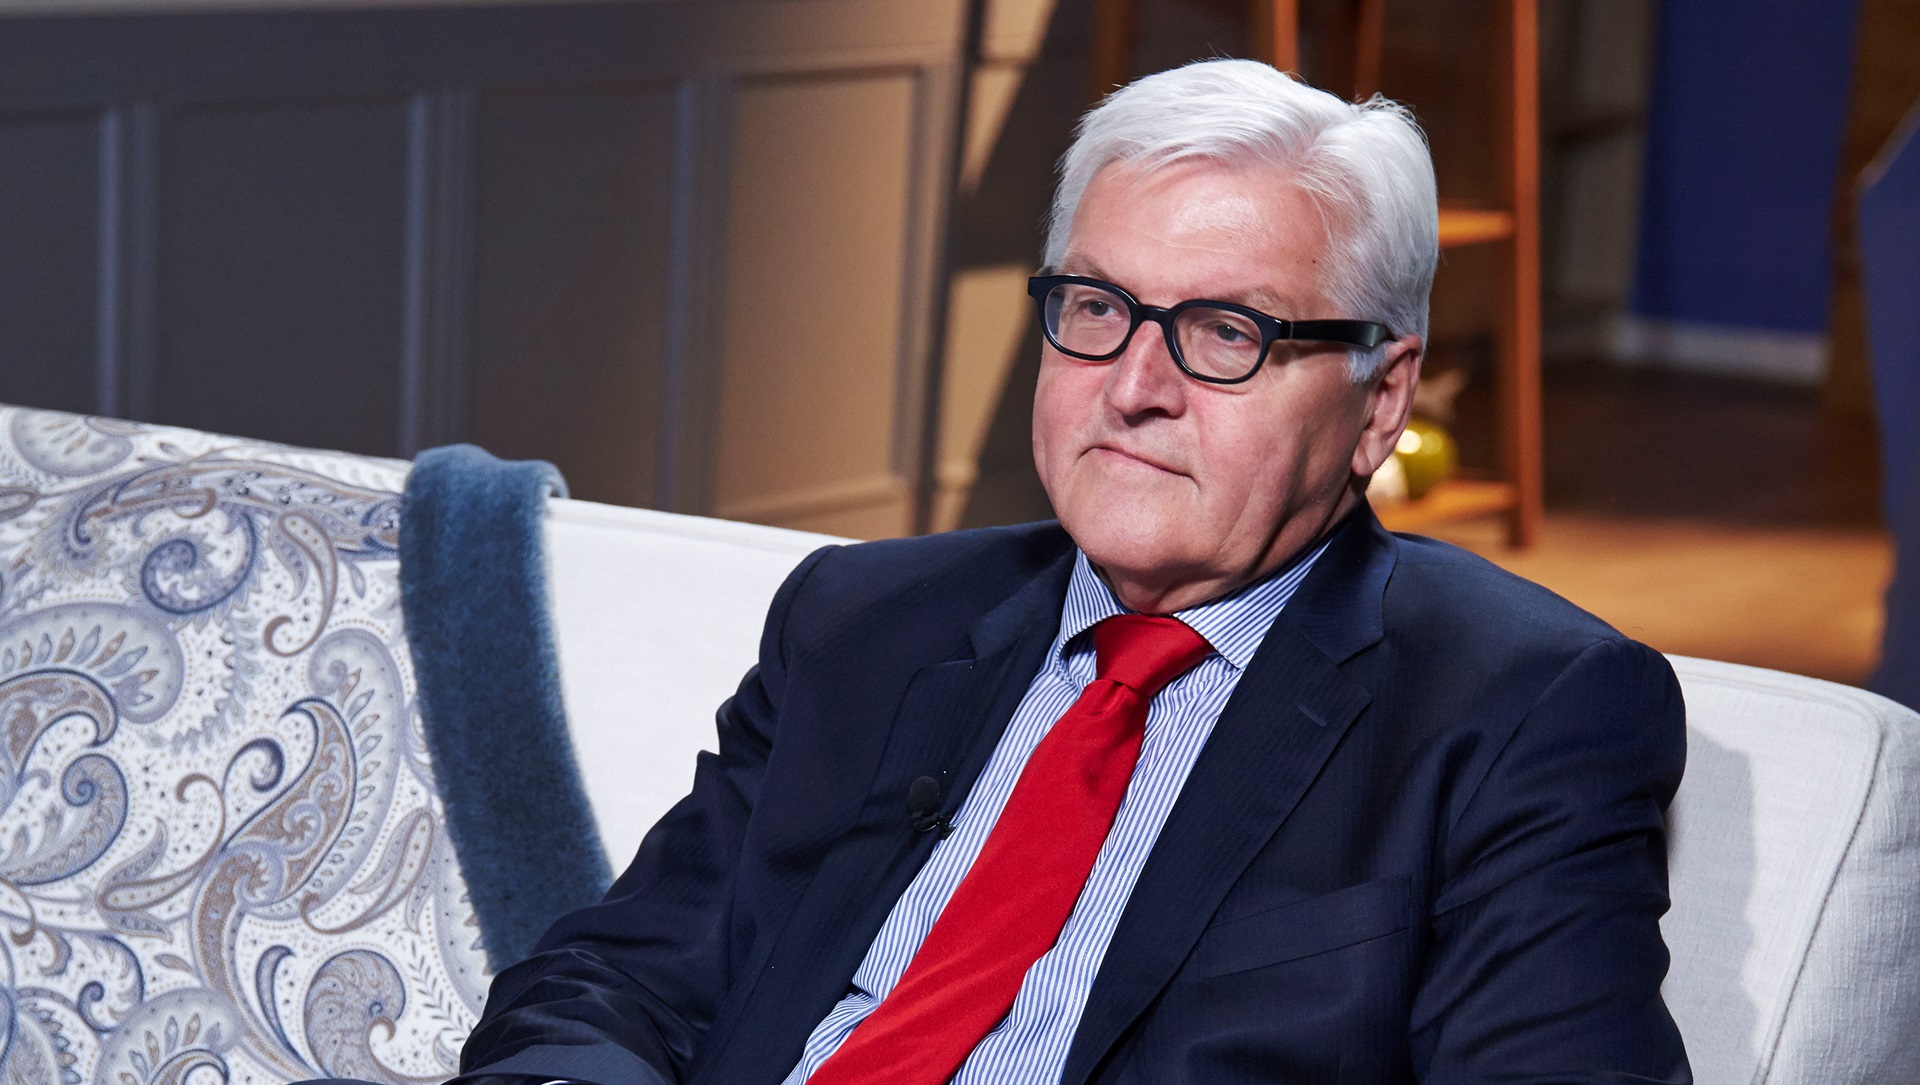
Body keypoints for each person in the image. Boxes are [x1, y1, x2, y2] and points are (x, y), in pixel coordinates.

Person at [451, 58, 1690, 1085]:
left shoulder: (1521, 712)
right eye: (1097, 307)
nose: (1135, 387)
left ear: (1381, 400)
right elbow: (617, 976)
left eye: (1226, 332)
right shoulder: (865, 621)